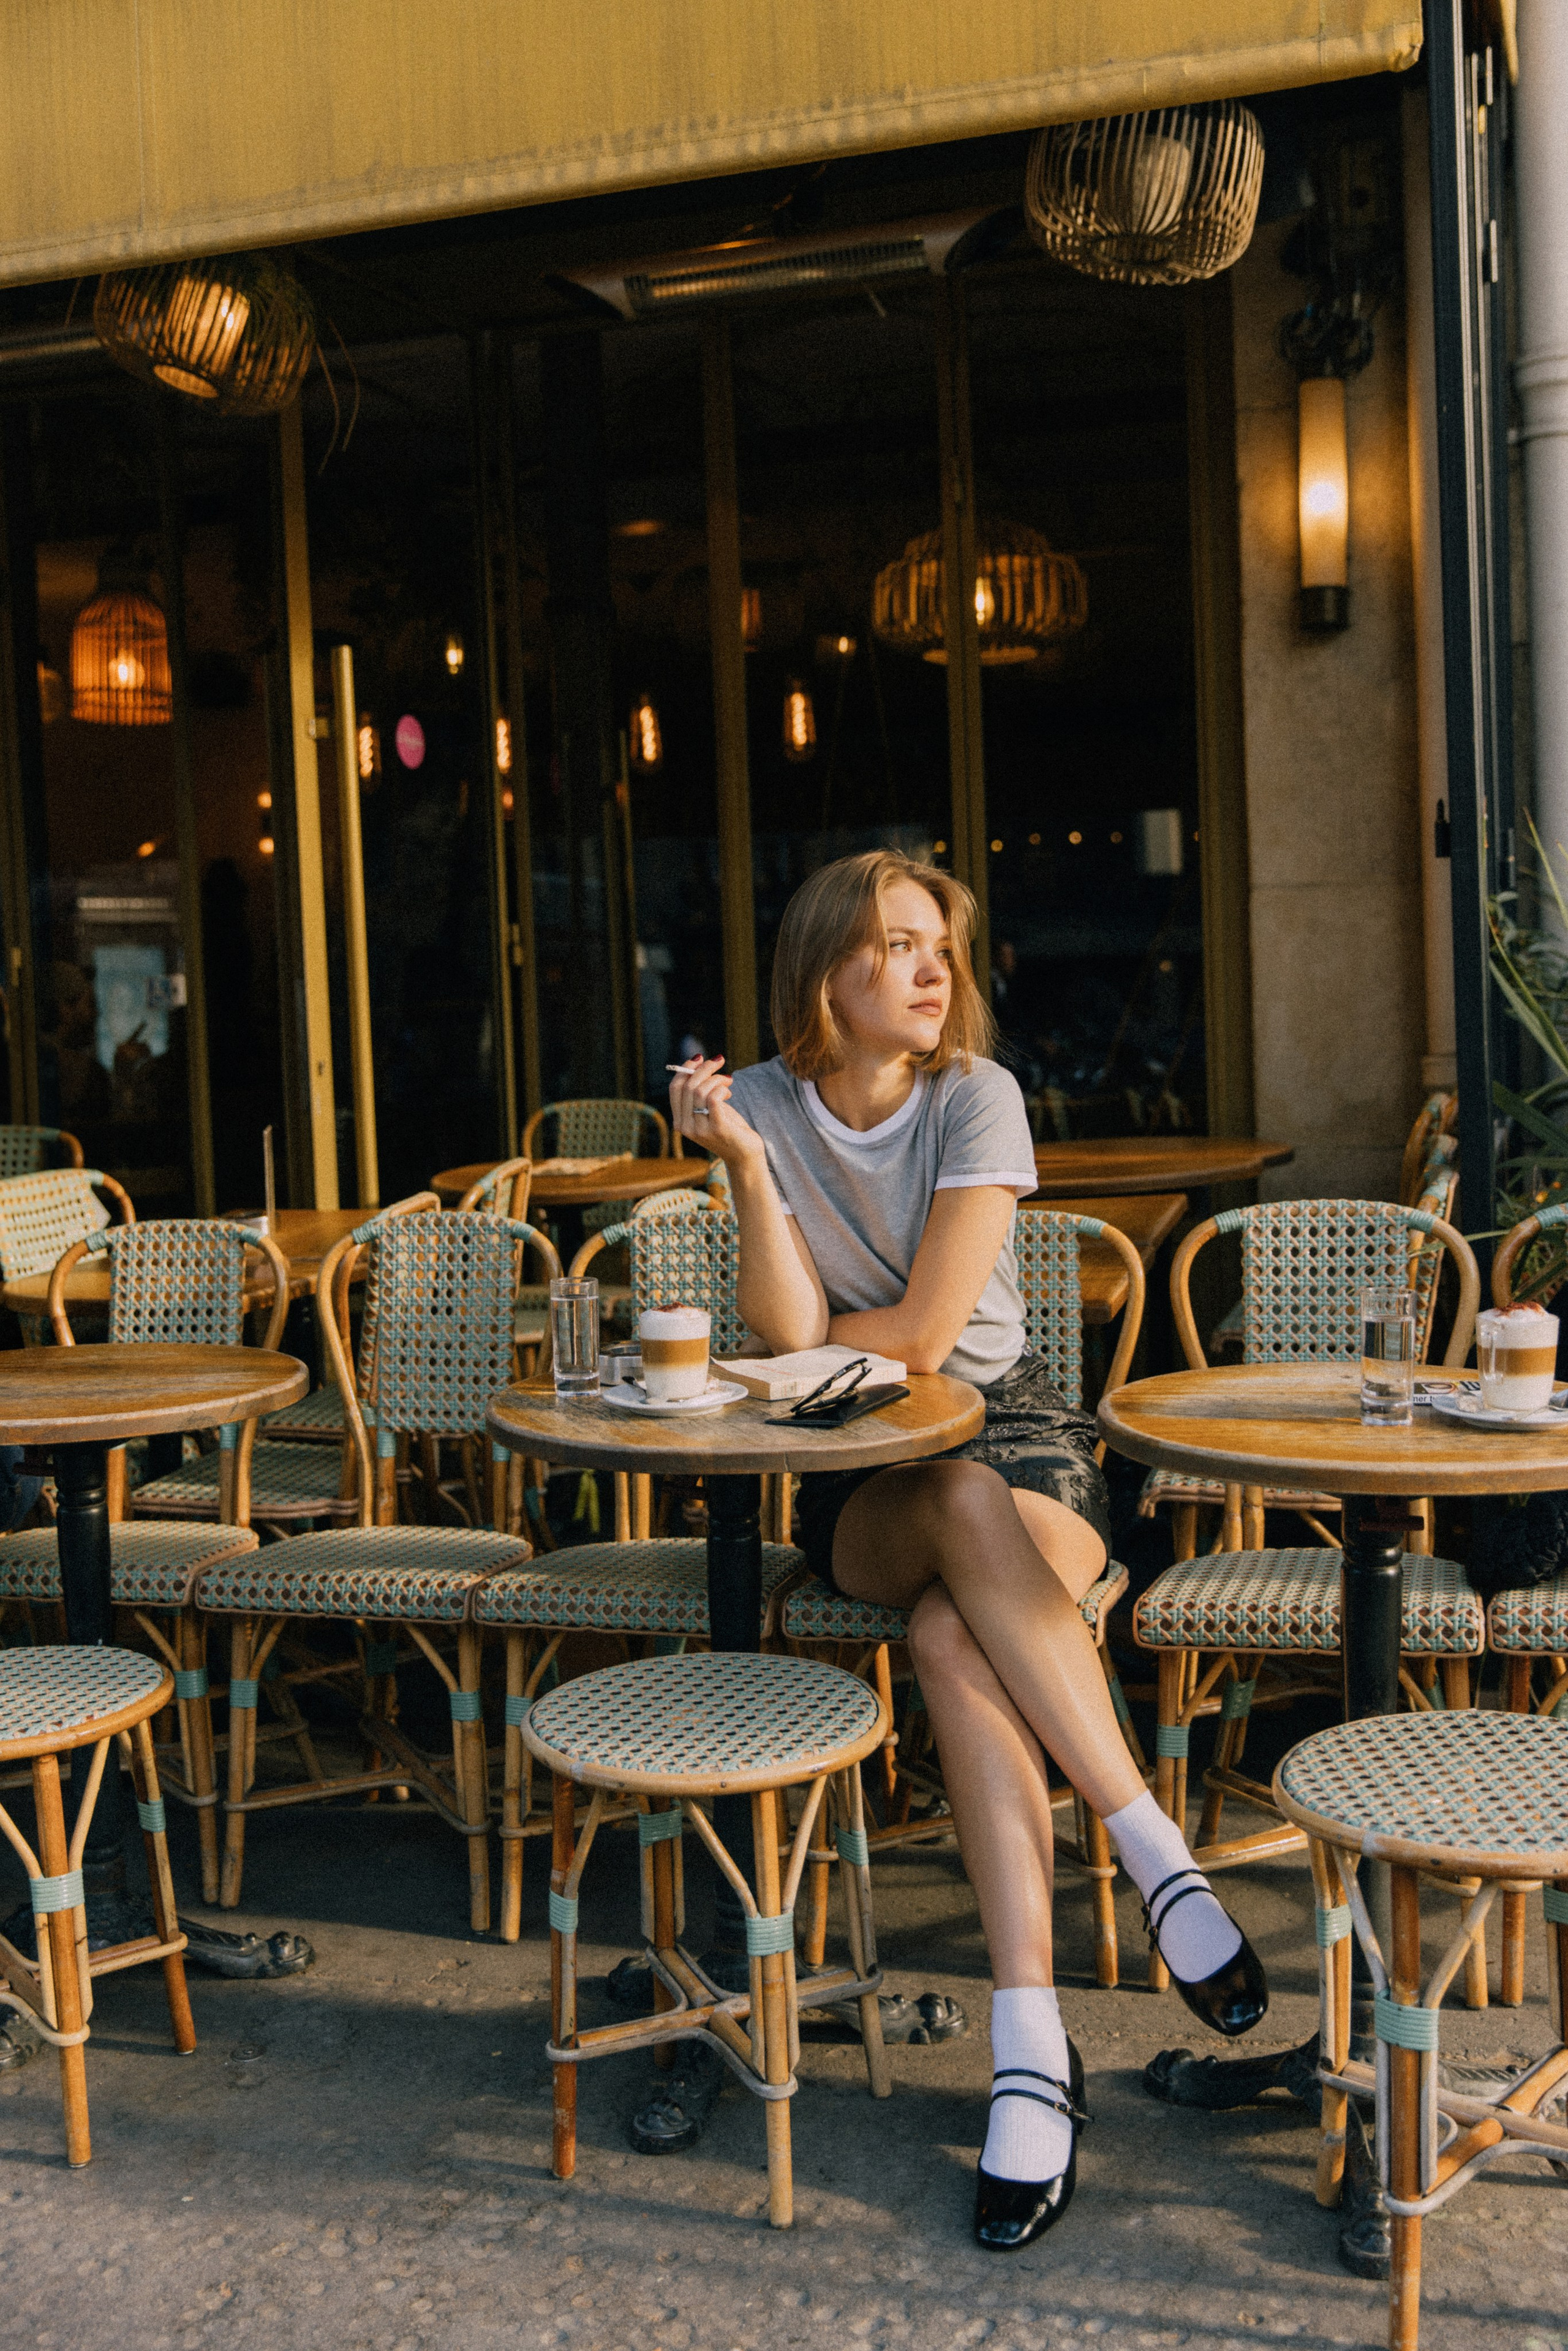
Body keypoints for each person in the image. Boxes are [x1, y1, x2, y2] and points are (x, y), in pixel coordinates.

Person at [669, 850, 1265, 2252]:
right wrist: (751, 1169)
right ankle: (1157, 1853)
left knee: (951, 1630)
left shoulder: (973, 1095)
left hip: (1016, 1435)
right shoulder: (757, 1103)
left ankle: (1027, 2050)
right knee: (940, 1507)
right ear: (829, 969)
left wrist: (805, 1341)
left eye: (939, 943)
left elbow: (928, 1344)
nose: (933, 969)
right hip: (853, 1467)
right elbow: (776, 1321)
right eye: (895, 943)